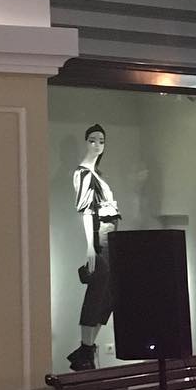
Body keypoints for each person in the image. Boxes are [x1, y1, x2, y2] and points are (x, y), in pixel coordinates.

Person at [67, 124, 121, 371]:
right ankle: (85, 349)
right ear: (85, 142)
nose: (97, 144)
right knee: (98, 290)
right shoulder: (84, 174)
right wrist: (90, 247)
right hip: (101, 239)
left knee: (108, 292)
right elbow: (87, 212)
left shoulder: (97, 174)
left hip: (110, 238)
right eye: (92, 140)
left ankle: (88, 348)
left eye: (101, 140)